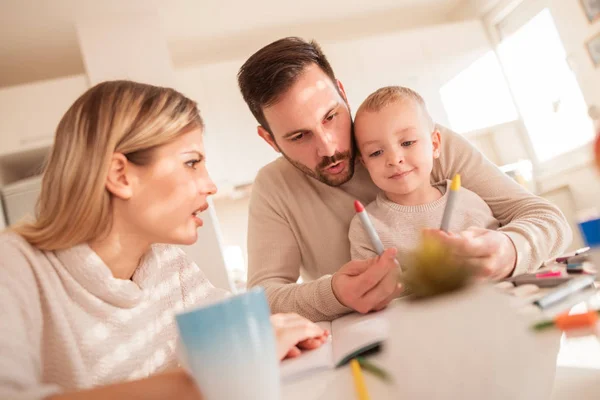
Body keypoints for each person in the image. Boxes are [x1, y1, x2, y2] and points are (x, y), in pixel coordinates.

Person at [0, 81, 328, 400]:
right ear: (120, 175)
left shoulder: (167, 264)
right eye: (191, 163)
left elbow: (239, 330)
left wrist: (274, 335)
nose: (211, 185)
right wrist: (200, 383)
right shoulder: (15, 267)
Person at [237, 37, 572, 322]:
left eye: (331, 117)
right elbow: (262, 300)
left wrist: (511, 249)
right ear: (269, 139)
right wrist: (334, 294)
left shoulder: (421, 145)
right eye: (299, 136)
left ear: (342, 94)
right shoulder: (273, 187)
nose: (330, 147)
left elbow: (547, 219)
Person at [348, 86, 500, 274]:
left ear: (435, 145)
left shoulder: (469, 203)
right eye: (376, 152)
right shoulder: (364, 226)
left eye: (407, 143)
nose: (395, 159)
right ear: (365, 163)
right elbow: (371, 291)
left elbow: (497, 263)